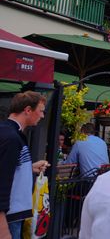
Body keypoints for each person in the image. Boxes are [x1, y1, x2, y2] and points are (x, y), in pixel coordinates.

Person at [0, 91, 50, 239]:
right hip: (9, 218)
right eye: (40, 111)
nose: (42, 116)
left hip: (12, 216)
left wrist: (30, 168)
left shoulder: (9, 132)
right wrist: (3, 229)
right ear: (28, 110)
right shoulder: (11, 137)